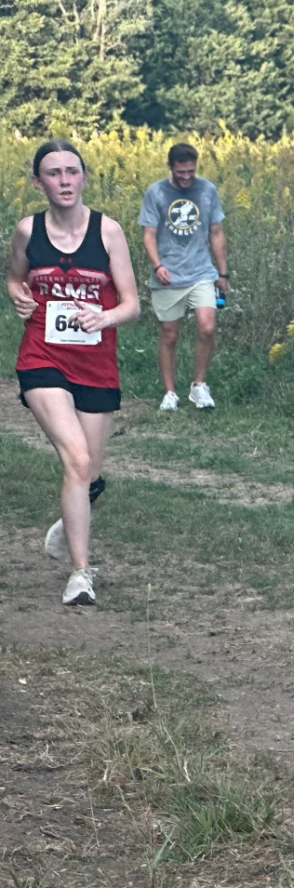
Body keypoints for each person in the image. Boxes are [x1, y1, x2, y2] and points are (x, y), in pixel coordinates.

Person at [6, 139, 140, 606]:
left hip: (96, 363)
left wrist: (104, 317)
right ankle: (82, 574)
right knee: (78, 462)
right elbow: (14, 276)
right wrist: (17, 294)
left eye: (71, 171)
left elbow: (132, 304)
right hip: (42, 355)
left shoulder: (109, 232)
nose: (64, 181)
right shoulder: (28, 230)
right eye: (53, 173)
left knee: (91, 474)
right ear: (38, 181)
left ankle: (70, 523)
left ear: (83, 177)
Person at [139, 142, 229, 410]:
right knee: (170, 334)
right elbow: (149, 235)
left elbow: (216, 232)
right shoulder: (156, 193)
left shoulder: (207, 190)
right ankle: (170, 393)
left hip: (201, 270)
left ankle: (199, 386)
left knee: (207, 326)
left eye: (191, 171)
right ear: (170, 167)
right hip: (168, 274)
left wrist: (222, 272)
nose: (187, 177)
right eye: (181, 172)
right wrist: (157, 266)